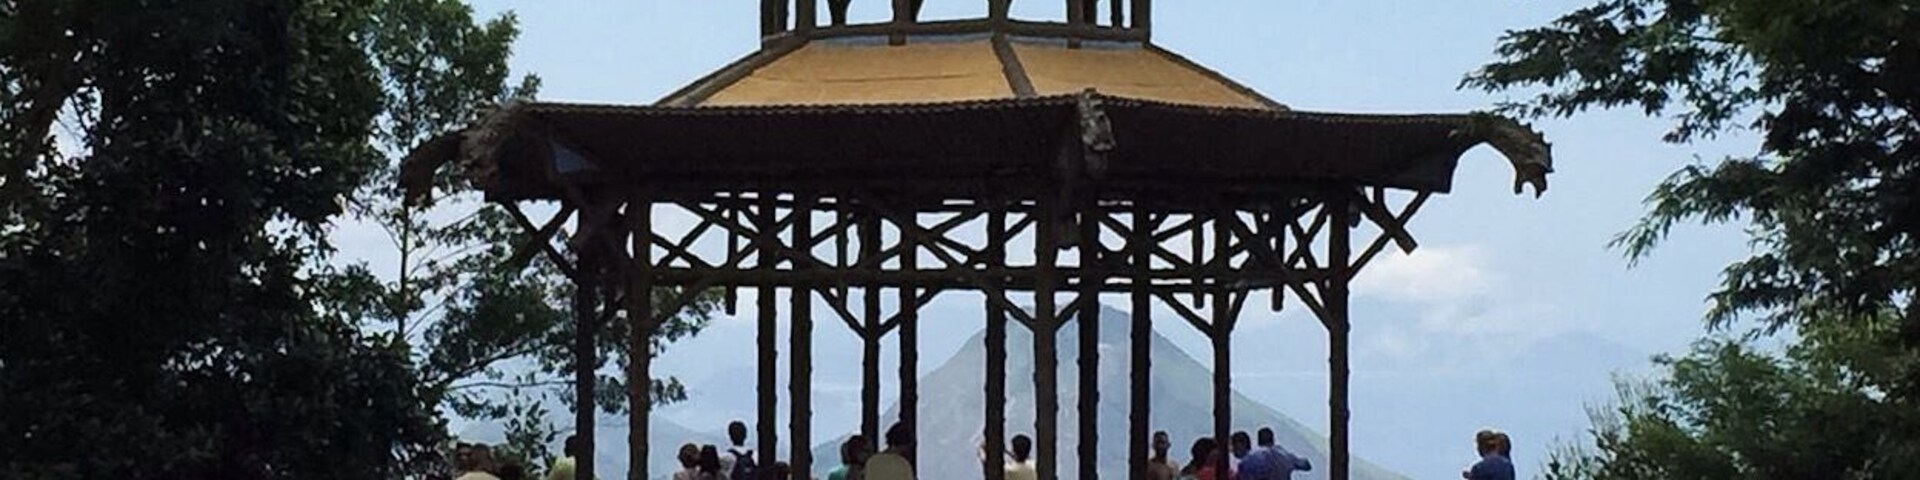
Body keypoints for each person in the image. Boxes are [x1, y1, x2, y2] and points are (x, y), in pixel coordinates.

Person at [1236, 427, 1310, 480]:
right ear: (1272, 439)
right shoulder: (1285, 456)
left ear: (1259, 441)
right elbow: (1307, 465)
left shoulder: (1249, 460)